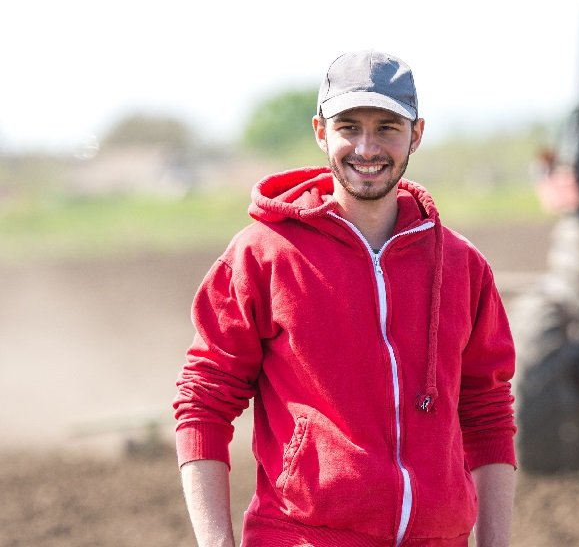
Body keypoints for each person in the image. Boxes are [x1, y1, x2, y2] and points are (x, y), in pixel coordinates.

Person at [173, 50, 517, 546]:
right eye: (349, 126)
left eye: (388, 128)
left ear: (416, 135)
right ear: (320, 132)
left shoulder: (463, 266)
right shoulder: (263, 255)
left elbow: (487, 413)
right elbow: (203, 401)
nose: (367, 146)